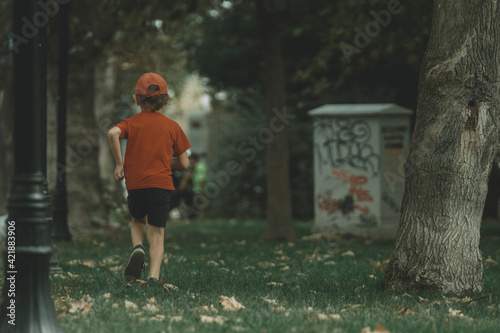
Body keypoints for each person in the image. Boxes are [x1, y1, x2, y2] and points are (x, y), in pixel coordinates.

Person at [107, 72, 191, 284]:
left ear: (137, 99)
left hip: (136, 184)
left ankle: (137, 247)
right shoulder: (173, 127)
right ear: (165, 99)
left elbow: (112, 133)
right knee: (157, 233)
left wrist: (119, 163)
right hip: (161, 185)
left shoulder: (131, 123)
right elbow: (184, 164)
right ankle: (153, 276)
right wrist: (165, 162)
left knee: (137, 220)